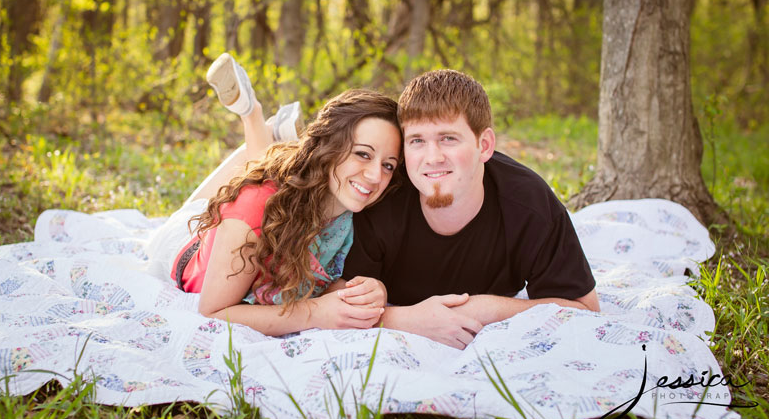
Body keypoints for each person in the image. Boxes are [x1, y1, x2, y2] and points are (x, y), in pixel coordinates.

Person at [145, 53, 402, 336]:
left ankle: (274, 135)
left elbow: (318, 282)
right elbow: (214, 312)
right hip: (183, 245)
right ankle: (253, 115)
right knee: (253, 181)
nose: (376, 175)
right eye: (363, 154)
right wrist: (313, 313)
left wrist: (367, 292)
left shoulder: (346, 213)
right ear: (330, 148)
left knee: (270, 169)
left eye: (388, 165)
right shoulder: (253, 208)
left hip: (276, 198)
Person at [342, 69, 600, 349]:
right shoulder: (382, 196)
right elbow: (333, 293)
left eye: (448, 138)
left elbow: (583, 307)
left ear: (484, 145)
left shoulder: (528, 203)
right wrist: (404, 319)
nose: (432, 158)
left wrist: (485, 309)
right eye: (417, 140)